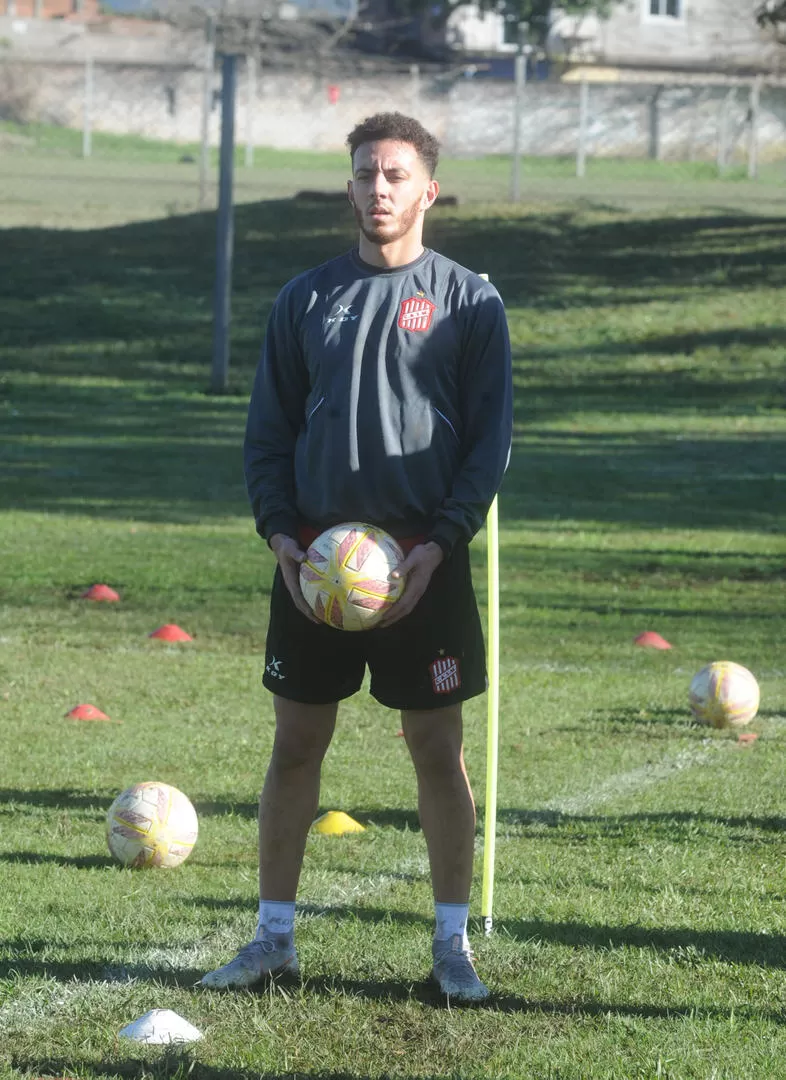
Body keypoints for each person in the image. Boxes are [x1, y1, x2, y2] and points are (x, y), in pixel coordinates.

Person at [201, 111, 513, 1004]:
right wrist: (284, 540)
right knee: (295, 744)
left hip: (425, 565)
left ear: (428, 190)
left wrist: (441, 543)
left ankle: (451, 946)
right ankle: (272, 938)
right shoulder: (304, 299)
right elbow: (267, 440)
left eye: (395, 175)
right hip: (315, 569)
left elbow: (488, 447)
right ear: (349, 186)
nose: (378, 189)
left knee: (436, 749)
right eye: (365, 174)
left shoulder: (469, 303)